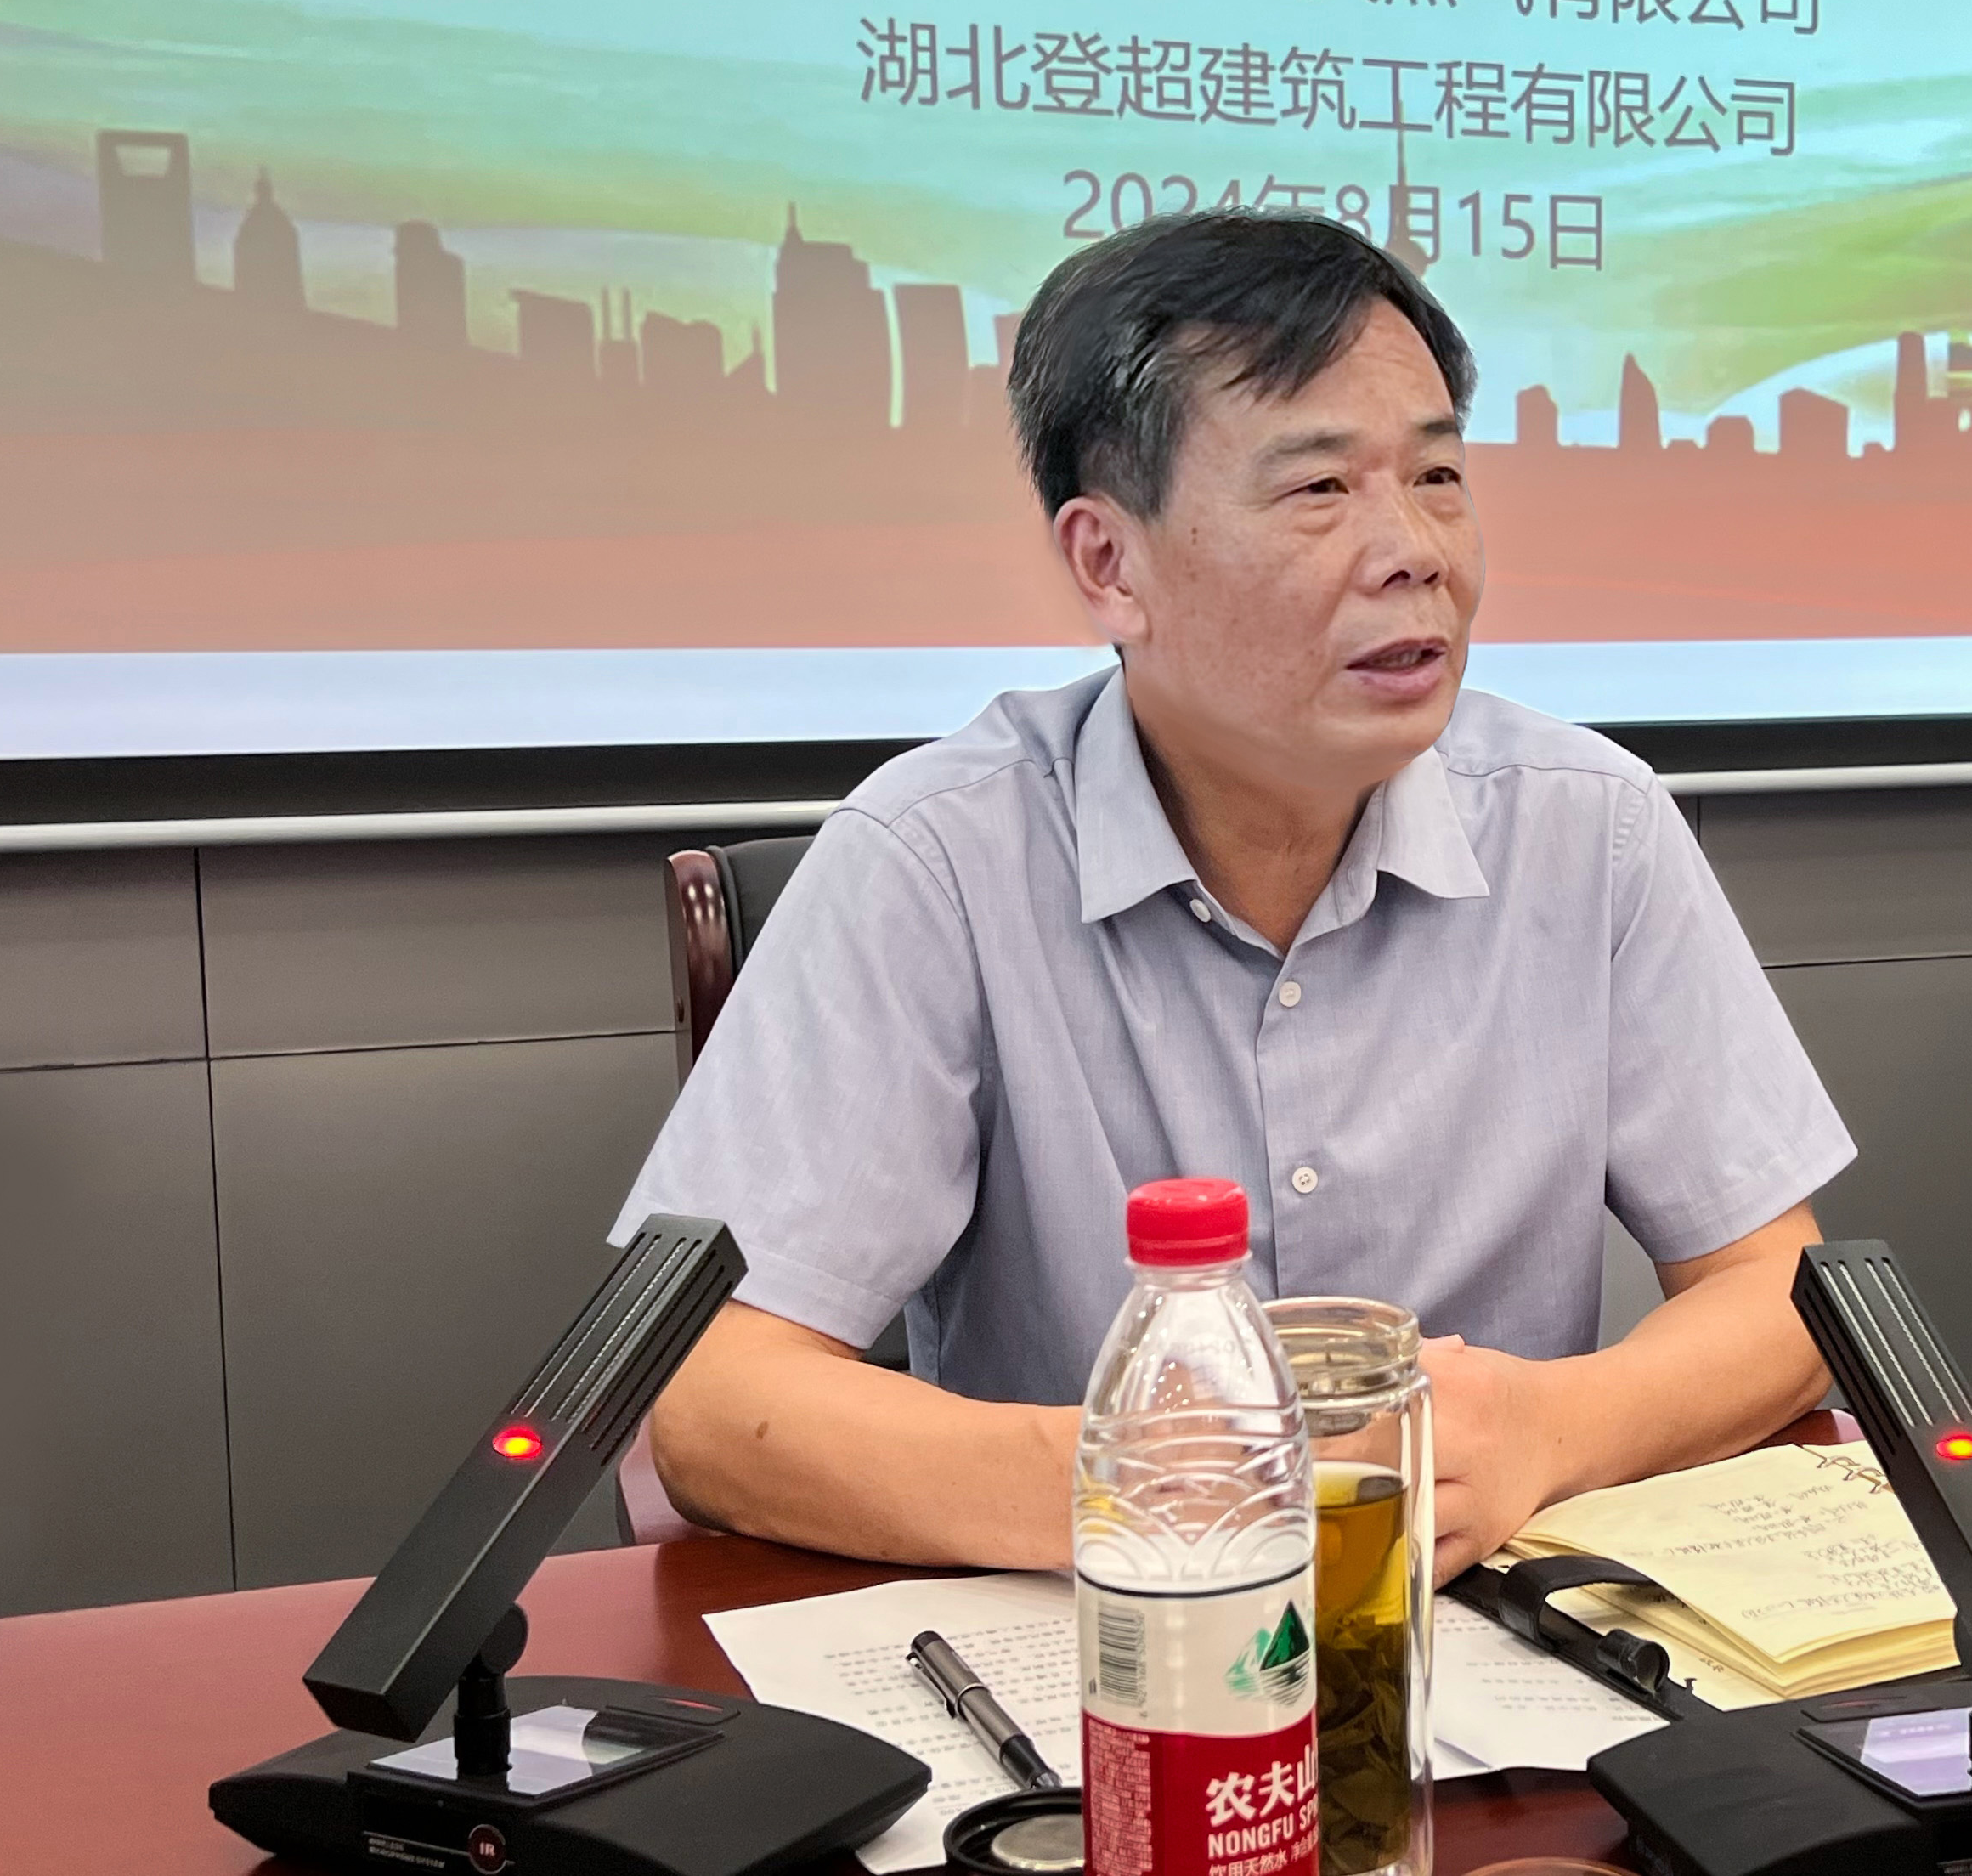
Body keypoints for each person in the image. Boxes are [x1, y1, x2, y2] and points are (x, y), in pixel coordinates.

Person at [619, 211, 1855, 1574]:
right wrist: (1175, 1484)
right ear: (1109, 564)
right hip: (1094, 1637)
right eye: (1317, 489)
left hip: (1481, 1627)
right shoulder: (935, 859)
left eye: (1437, 475)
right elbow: (712, 1402)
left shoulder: (1589, 825)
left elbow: (1779, 1294)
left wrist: (1545, 1432)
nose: (1414, 549)